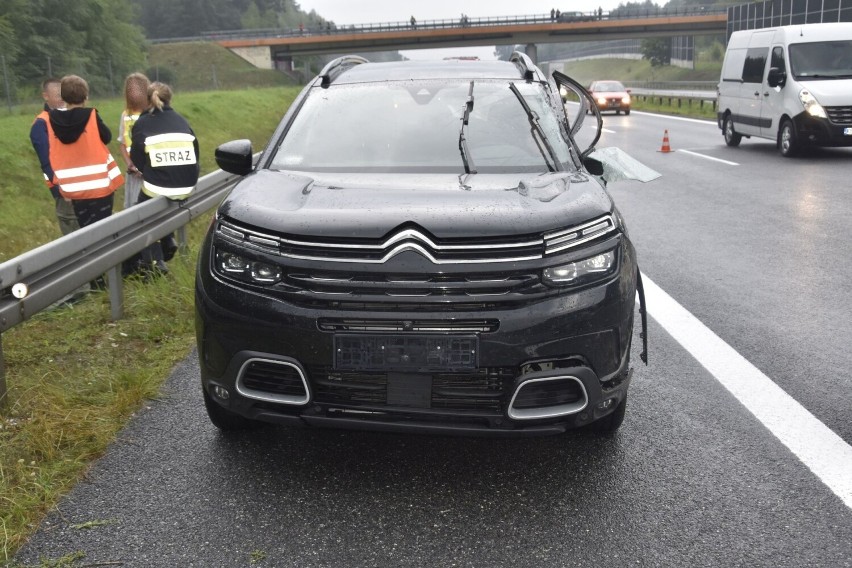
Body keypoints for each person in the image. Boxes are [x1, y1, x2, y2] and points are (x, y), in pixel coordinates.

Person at [130, 82, 199, 275]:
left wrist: (151, 170)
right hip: (187, 185)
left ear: (147, 100)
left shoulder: (142, 123)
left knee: (140, 217)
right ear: (170, 98)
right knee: (161, 200)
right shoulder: (182, 120)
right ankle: (167, 239)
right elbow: (196, 153)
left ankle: (154, 262)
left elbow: (137, 159)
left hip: (160, 185)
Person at [47, 75, 123, 229]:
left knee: (86, 228)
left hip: (73, 189)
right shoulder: (91, 115)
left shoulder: (53, 119)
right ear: (86, 97)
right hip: (98, 186)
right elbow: (107, 136)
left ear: (64, 98)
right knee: (103, 229)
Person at [30, 78, 79, 236]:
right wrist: (62, 190)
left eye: (64, 94)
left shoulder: (73, 116)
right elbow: (46, 163)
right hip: (64, 192)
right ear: (46, 96)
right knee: (74, 235)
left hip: (85, 185)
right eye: (58, 95)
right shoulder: (41, 124)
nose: (62, 99)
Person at [118, 73, 149, 210]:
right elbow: (122, 144)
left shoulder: (153, 113)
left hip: (149, 172)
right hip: (133, 171)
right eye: (131, 90)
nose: (134, 93)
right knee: (133, 207)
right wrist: (130, 164)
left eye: (138, 89)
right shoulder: (125, 115)